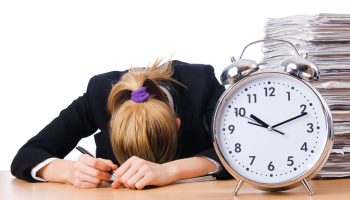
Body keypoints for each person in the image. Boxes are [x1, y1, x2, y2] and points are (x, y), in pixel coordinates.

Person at [11, 59, 231, 189]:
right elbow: (27, 155)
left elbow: (240, 152)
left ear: (176, 124)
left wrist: (171, 170)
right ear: (110, 126)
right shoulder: (99, 94)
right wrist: (69, 171)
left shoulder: (200, 83)